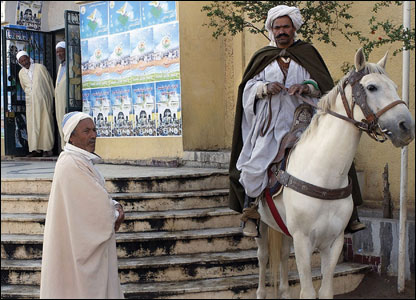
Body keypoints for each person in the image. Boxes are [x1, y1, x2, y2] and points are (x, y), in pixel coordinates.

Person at [229, 5, 365, 237]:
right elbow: (247, 88)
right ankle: (250, 212)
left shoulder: (307, 54)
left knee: (334, 156)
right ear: (271, 29)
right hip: (270, 125)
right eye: (277, 27)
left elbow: (323, 87)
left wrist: (306, 87)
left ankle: (350, 216)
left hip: (304, 122)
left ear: (294, 28)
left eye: (286, 27)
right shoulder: (263, 57)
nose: (282, 31)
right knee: (254, 163)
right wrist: (264, 87)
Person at [40, 111, 125, 299]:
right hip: (77, 249)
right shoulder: (70, 163)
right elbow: (94, 205)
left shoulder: (79, 160)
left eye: (94, 130)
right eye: (86, 131)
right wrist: (115, 212)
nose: (93, 135)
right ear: (71, 136)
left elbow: (95, 196)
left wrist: (114, 205)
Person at [17, 50, 55, 157]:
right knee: (33, 126)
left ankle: (47, 149)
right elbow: (24, 87)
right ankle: (35, 149)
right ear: (20, 63)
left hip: (43, 102)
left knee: (45, 124)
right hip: (31, 104)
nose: (25, 62)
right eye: (22, 61)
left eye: (25, 59)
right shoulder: (21, 73)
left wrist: (51, 99)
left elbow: (48, 83)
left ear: (29, 58)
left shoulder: (40, 68)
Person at [55, 41, 67, 150]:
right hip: (59, 101)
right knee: (61, 122)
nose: (59, 54)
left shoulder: (71, 65)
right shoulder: (60, 66)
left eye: (61, 51)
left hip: (67, 100)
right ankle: (64, 147)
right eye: (57, 52)